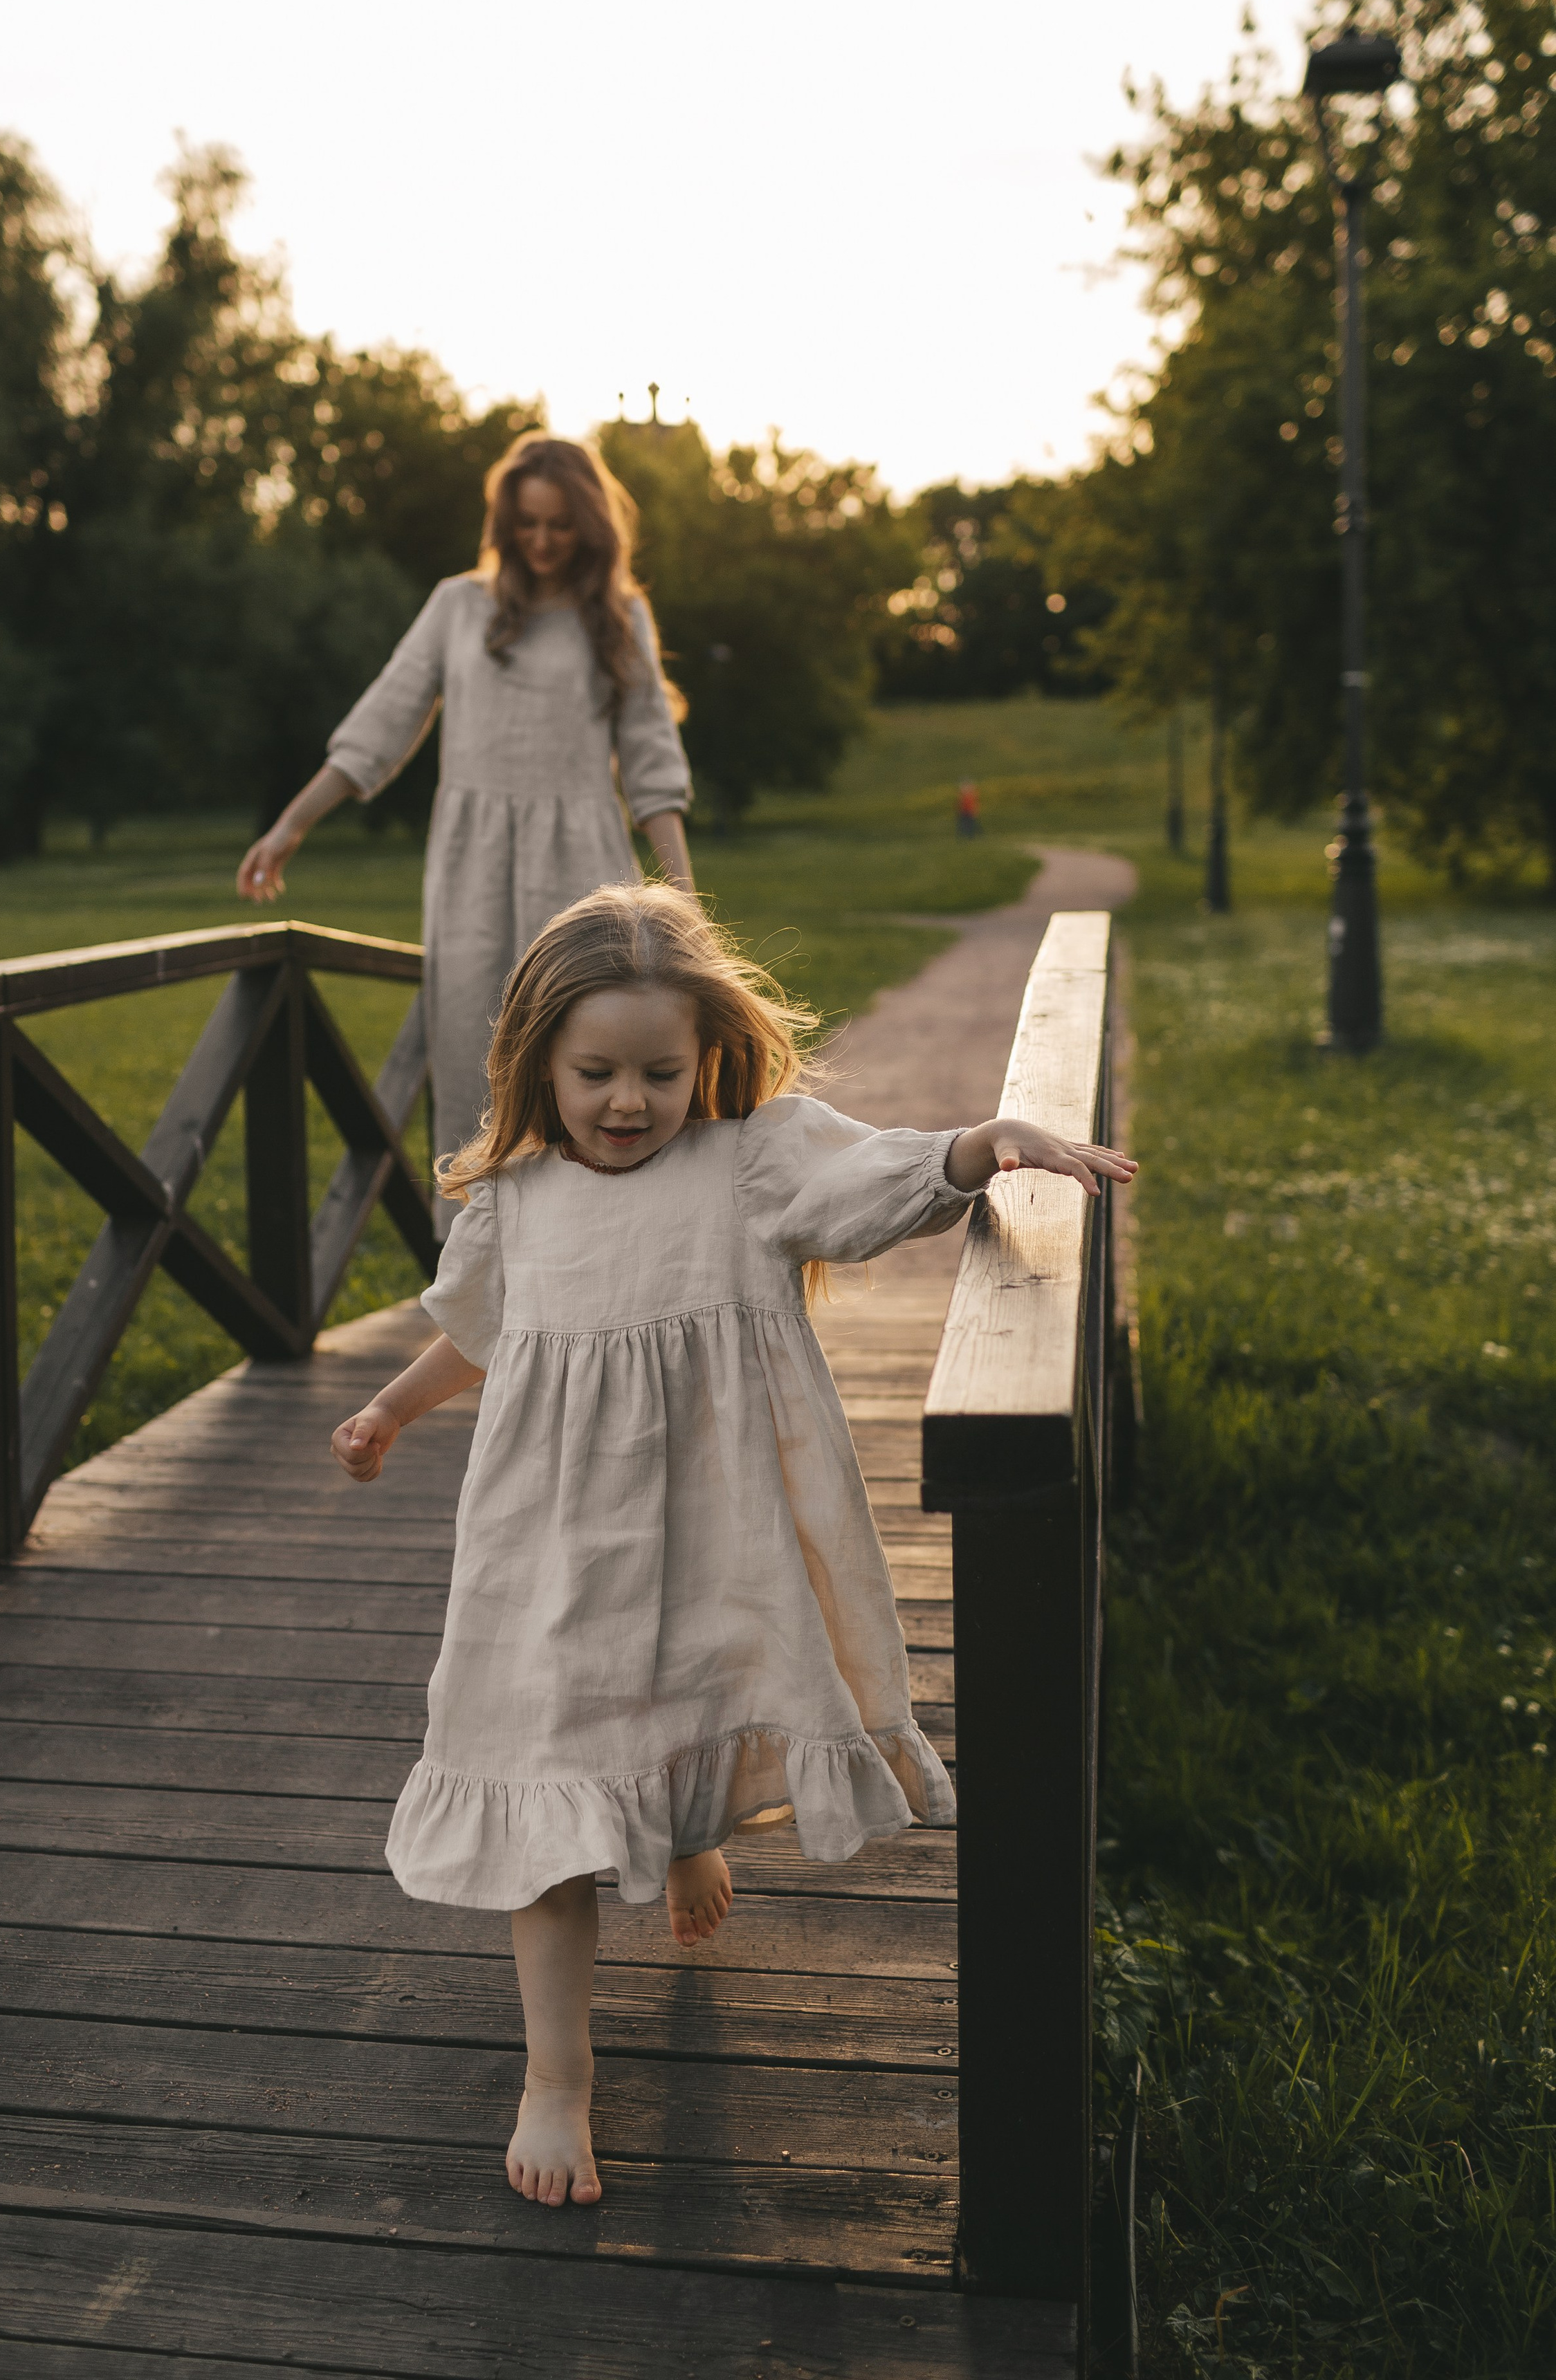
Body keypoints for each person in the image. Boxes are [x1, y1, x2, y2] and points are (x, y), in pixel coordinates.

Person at [329, 883, 1137, 2210]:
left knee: (693, 1680)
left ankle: (687, 1824)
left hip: (711, 1529)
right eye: (595, 1073)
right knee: (549, 1770)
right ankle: (558, 2080)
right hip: (550, 1550)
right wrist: (388, 1410)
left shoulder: (749, 1165)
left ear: (710, 1056)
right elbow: (478, 1330)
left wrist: (979, 1147)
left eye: (661, 1069)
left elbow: (871, 1181)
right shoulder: (519, 1201)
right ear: (541, 1064)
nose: (629, 1100)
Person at [235, 434, 695, 1215]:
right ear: (503, 523)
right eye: (526, 524)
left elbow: (653, 763)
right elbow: (380, 726)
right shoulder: (458, 605)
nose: (542, 541)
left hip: (580, 869)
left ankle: (601, 1249)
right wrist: (290, 826)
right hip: (471, 870)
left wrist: (683, 903)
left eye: (558, 524)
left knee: (592, 1057)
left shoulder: (619, 616)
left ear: (590, 525)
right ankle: (477, 1260)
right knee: (474, 1061)